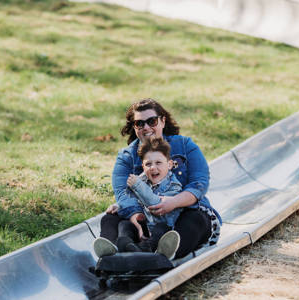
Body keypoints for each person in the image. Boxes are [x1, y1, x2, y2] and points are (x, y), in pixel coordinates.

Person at [93, 98, 221, 260]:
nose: (146, 127)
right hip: (145, 215)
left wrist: (173, 202)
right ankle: (112, 255)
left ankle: (163, 254)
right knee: (111, 218)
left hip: (182, 210)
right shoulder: (126, 156)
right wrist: (136, 216)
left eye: (152, 121)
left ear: (162, 121)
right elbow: (122, 193)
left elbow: (199, 184)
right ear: (134, 127)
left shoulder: (184, 145)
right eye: (140, 124)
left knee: (194, 219)